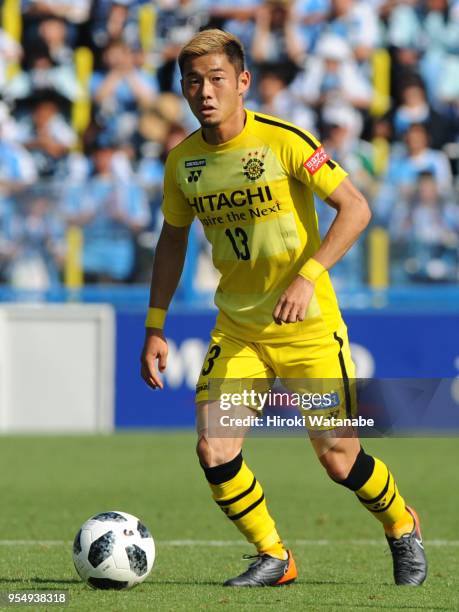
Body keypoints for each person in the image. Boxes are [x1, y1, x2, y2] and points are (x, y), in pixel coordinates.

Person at [140, 29, 427, 587]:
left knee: (340, 458)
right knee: (214, 446)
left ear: (243, 82)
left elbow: (356, 209)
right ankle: (274, 555)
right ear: (181, 88)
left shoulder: (286, 140)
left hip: (308, 327)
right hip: (240, 328)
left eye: (217, 79)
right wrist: (155, 326)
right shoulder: (182, 163)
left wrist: (308, 276)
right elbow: (171, 241)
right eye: (193, 82)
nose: (205, 91)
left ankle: (401, 525)